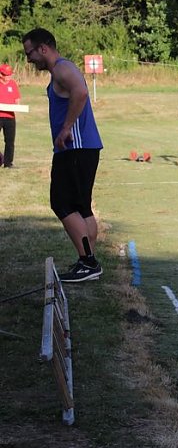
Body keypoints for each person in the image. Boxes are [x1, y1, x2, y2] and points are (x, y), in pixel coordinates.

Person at [22, 28, 103, 282]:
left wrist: (66, 128)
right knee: (81, 207)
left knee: (62, 203)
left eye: (30, 53)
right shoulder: (60, 71)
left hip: (74, 148)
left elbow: (80, 92)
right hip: (83, 148)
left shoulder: (61, 69)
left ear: (43, 48)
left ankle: (88, 262)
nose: (29, 59)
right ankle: (89, 260)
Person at [0, 63, 21, 168]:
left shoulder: (13, 84)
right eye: (6, 75)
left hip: (10, 117)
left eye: (9, 75)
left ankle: (8, 163)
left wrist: (17, 107)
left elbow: (17, 99)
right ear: (1, 75)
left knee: (10, 141)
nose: (8, 77)